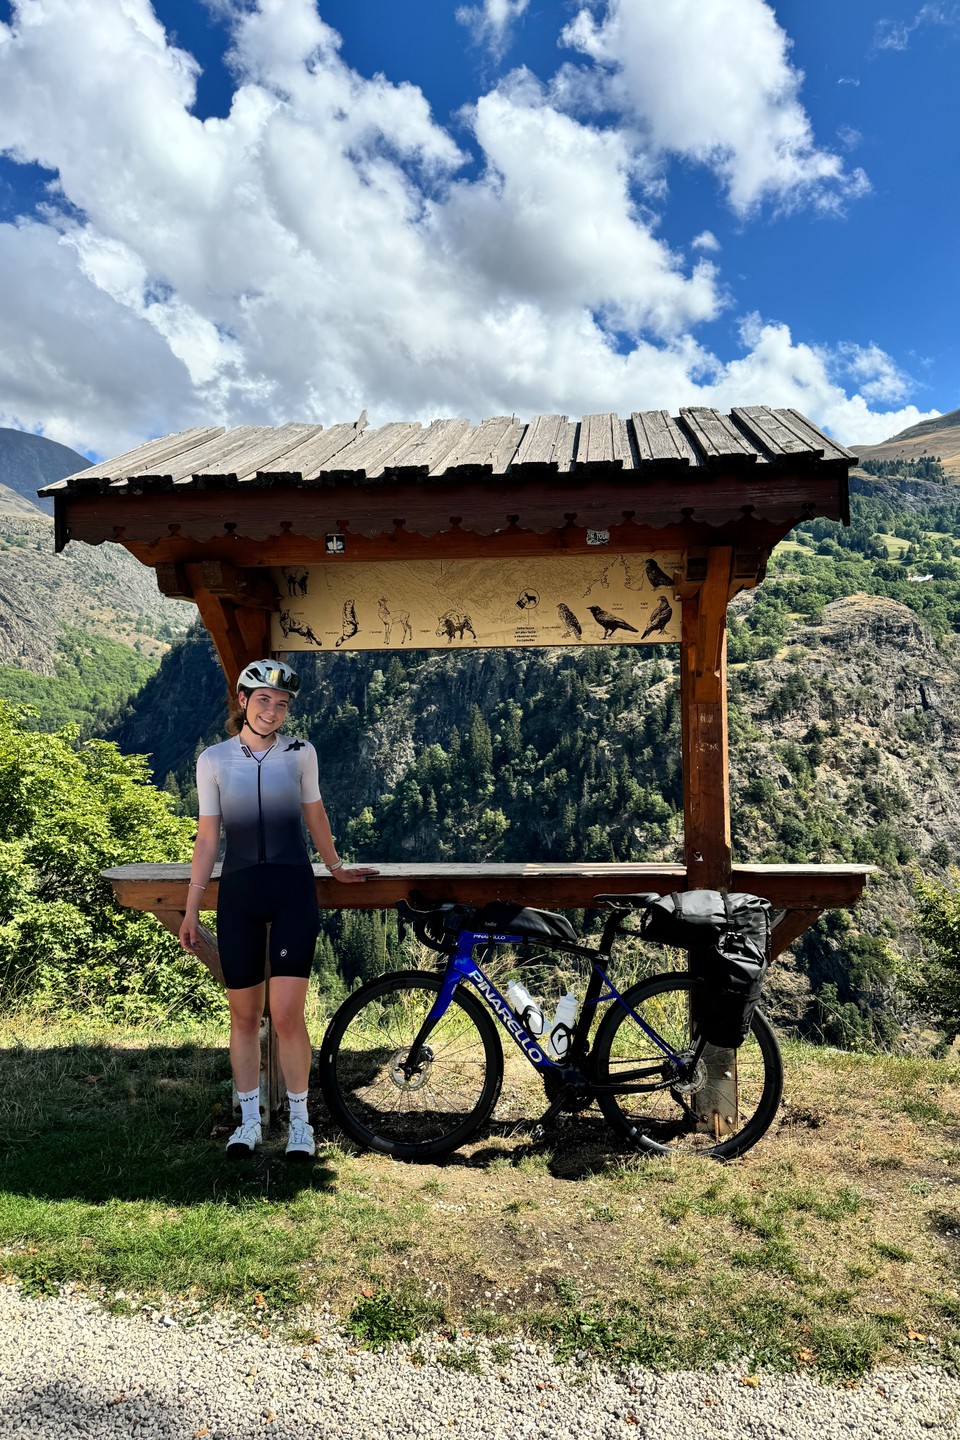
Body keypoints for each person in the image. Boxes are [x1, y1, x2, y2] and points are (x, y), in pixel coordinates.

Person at [179, 658, 375, 1160]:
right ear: (243, 701)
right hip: (239, 894)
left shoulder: (301, 753)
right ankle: (248, 1122)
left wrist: (334, 867)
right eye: (263, 700)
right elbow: (207, 837)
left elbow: (316, 814)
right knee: (243, 1017)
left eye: (282, 704)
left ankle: (300, 1124)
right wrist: (191, 907)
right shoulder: (214, 760)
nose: (273, 711)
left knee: (287, 1016)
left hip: (293, 890)